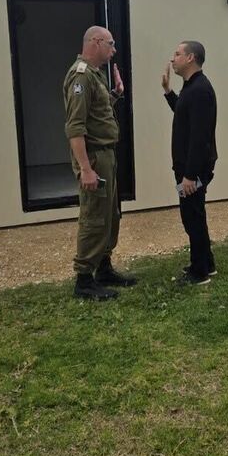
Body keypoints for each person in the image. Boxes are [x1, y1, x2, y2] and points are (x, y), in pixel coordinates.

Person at [63, 25, 137, 300]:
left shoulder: (95, 76)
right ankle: (84, 280)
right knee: (95, 216)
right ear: (95, 42)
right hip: (93, 156)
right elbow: (75, 128)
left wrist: (116, 92)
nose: (114, 50)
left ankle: (103, 268)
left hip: (106, 154)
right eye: (111, 44)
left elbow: (98, 113)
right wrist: (85, 168)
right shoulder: (80, 77)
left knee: (110, 215)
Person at [162, 41, 218, 285]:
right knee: (195, 214)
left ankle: (200, 273)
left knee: (192, 217)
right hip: (187, 168)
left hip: (192, 169)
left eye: (177, 54)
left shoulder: (200, 90)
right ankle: (207, 264)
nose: (172, 58)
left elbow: (199, 138)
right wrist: (168, 92)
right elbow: (184, 115)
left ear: (190, 58)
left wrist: (189, 175)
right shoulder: (191, 87)